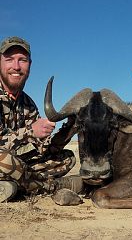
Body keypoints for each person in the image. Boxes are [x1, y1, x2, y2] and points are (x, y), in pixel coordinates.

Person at [0, 36, 82, 203]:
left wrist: (67, 131)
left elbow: (42, 150)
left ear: (29, 65)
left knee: (67, 158)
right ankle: (51, 187)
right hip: (5, 161)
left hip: (16, 167)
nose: (16, 66)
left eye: (22, 60)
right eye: (9, 60)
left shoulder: (28, 104)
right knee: (3, 158)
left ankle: (13, 186)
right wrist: (30, 132)